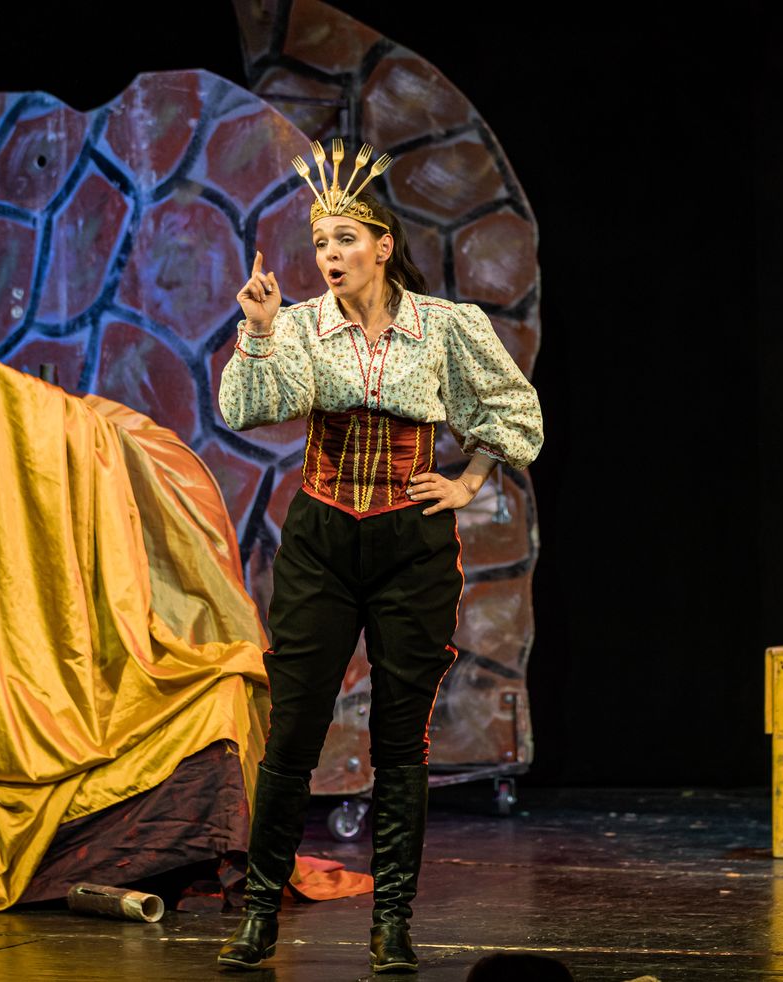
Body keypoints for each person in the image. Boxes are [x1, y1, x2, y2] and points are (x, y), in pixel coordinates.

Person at [214, 141, 543, 973]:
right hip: (322, 541)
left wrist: (469, 481)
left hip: (411, 544)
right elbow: (251, 409)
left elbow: (514, 410)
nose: (329, 256)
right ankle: (259, 916)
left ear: (383, 246)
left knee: (402, 740)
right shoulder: (297, 325)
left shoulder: (444, 327)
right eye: (320, 243)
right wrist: (260, 330)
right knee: (294, 731)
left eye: (345, 240)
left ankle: (392, 923)